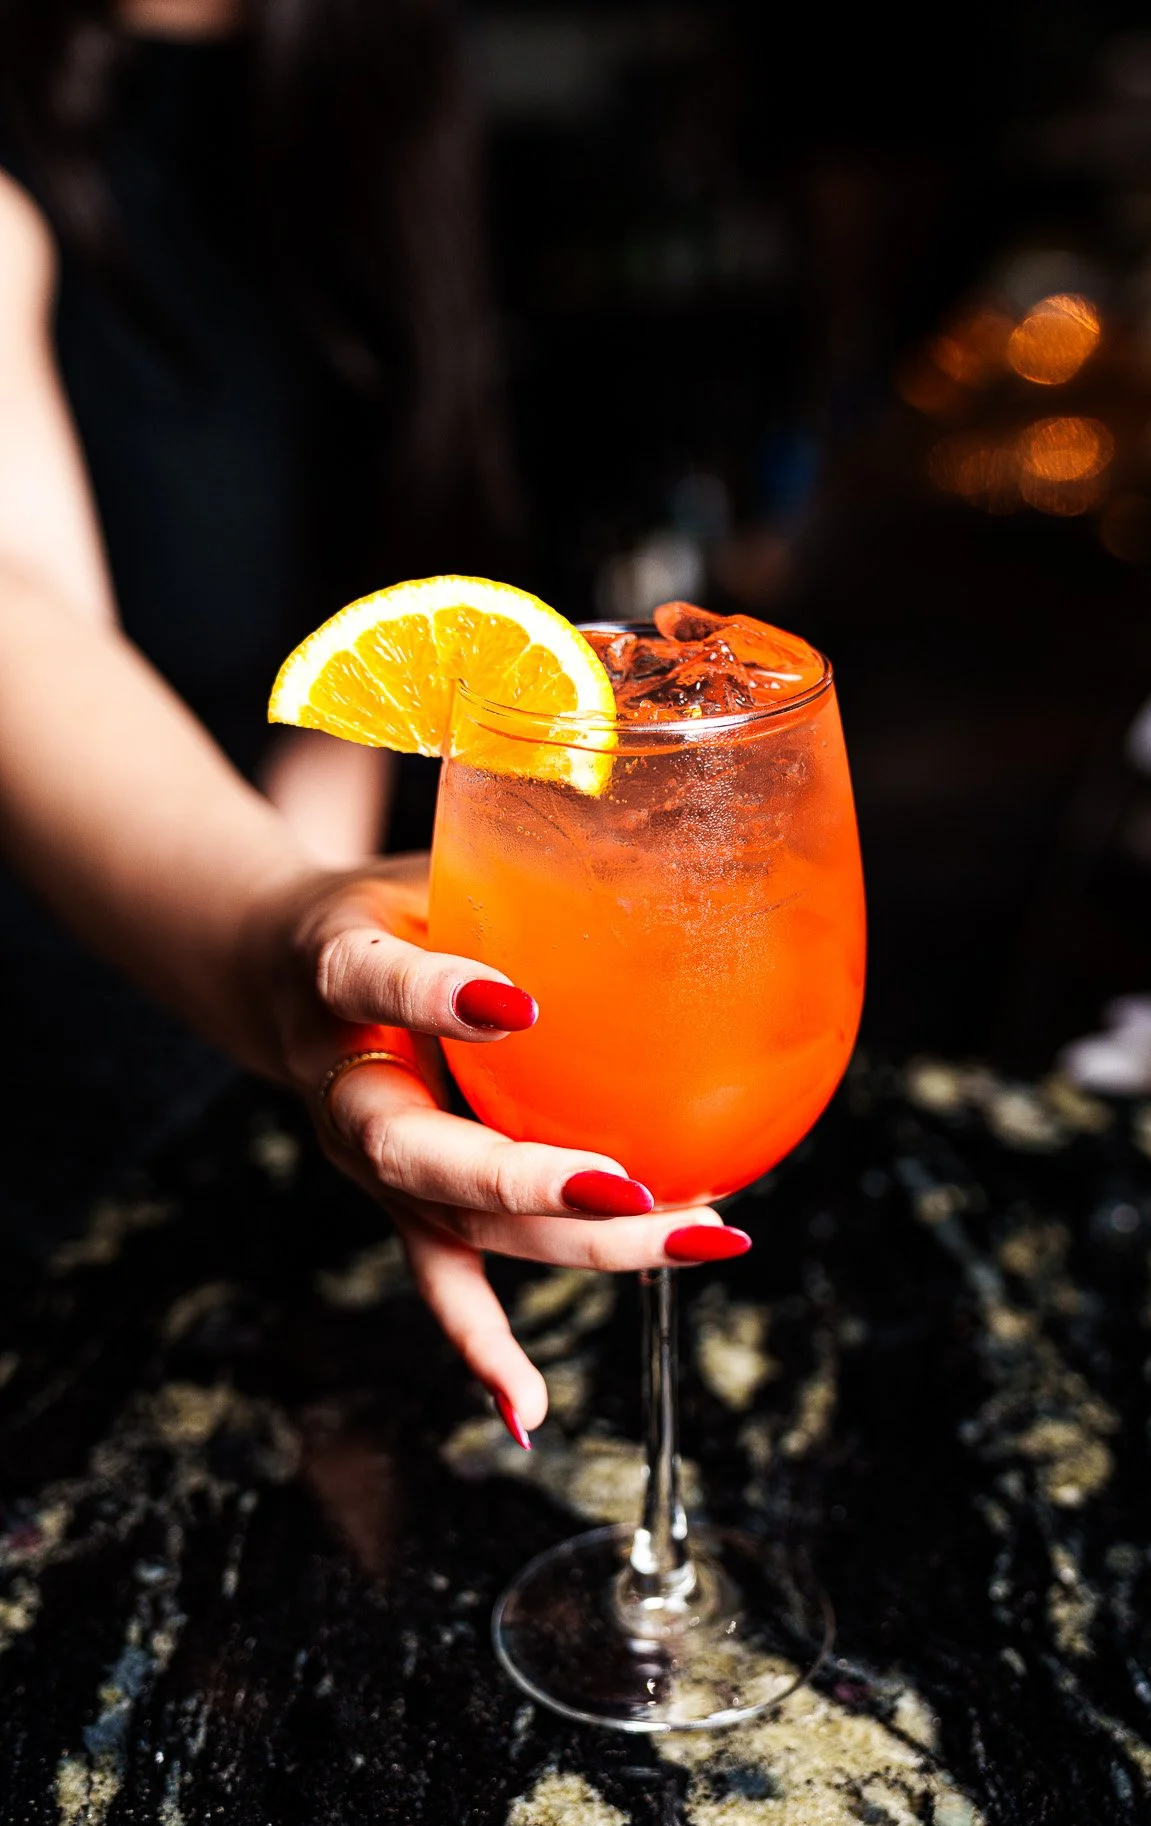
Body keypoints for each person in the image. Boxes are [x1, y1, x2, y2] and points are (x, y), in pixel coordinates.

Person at [0, 0, 749, 1433]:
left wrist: (334, 1012)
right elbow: (16, 594)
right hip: (57, 1050)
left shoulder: (372, 79)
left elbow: (371, 622)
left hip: (259, 1016)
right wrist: (277, 933)